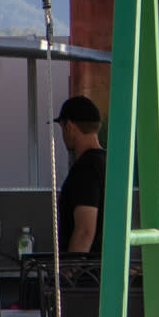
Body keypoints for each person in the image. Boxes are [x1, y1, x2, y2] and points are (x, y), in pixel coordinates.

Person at [55, 94, 106, 256]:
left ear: (69, 126)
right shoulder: (109, 164)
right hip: (108, 269)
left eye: (62, 128)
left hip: (88, 276)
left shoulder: (85, 168)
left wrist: (69, 273)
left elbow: (85, 230)